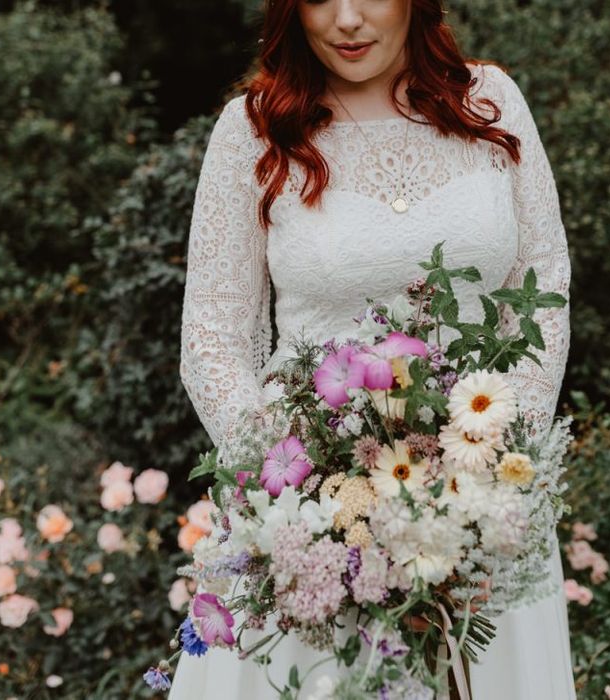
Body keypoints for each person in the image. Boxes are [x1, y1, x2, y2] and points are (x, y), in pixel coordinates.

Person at [169, 0, 575, 697]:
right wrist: (299, 493)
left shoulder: (492, 104)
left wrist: (493, 467)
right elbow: (211, 335)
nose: (347, 20)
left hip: (480, 506)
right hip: (313, 527)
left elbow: (544, 283)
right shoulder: (254, 131)